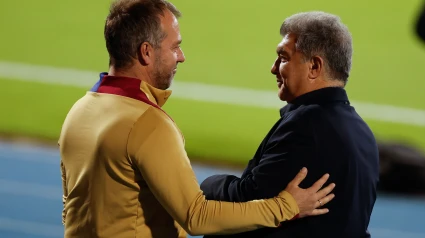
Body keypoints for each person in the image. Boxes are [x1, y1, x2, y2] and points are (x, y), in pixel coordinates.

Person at [58, 1, 336, 237]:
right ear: (146, 52)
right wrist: (286, 206)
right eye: (175, 47)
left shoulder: (78, 112)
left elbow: (71, 206)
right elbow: (196, 216)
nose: (181, 57)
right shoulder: (147, 123)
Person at [200, 11, 380, 238]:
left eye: (283, 58)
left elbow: (246, 200)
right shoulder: (362, 131)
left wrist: (208, 184)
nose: (273, 68)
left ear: (314, 66)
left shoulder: (306, 126)